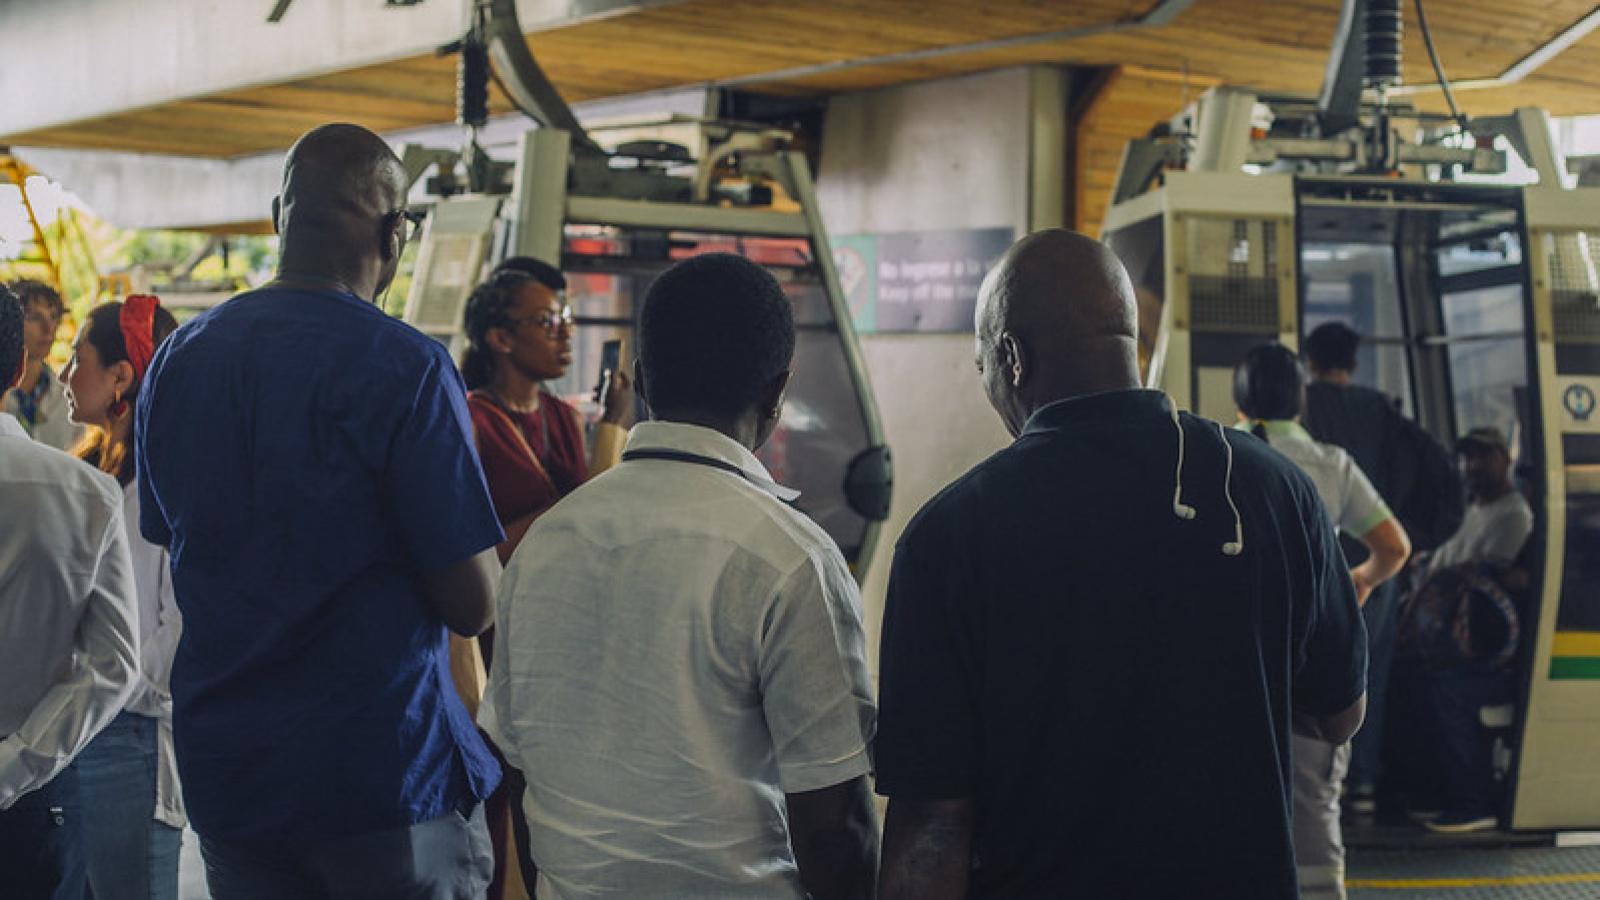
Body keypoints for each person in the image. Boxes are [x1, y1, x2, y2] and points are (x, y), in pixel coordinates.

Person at [875, 230, 1367, 900]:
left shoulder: (948, 537)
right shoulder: (1274, 490)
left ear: (1012, 357)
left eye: (982, 363)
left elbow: (933, 821)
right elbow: (1340, 715)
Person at [135, 123, 504, 899]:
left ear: (279, 216)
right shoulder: (407, 367)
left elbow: (171, 538)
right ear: (392, 232)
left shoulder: (181, 358)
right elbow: (471, 602)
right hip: (381, 777)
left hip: (231, 778)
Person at [481, 253, 878, 900]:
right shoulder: (791, 558)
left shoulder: (546, 543)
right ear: (779, 391)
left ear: (638, 377)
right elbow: (837, 825)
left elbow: (521, 773)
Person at [455, 259, 631, 900]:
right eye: (546, 320)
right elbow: (478, 546)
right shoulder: (471, 422)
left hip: (569, 633)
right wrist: (601, 458)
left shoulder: (559, 416)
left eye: (565, 319)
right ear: (499, 338)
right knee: (505, 785)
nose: (563, 332)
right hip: (499, 639)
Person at [1234, 342, 1412, 900]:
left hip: (1240, 652)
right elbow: (1394, 547)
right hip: (1313, 650)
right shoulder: (1333, 465)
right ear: (1300, 399)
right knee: (1315, 792)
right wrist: (1358, 581)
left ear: (1240, 399)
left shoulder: (1223, 453)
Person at [0, 284, 141, 899]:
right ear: (17, 366)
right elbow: (115, 665)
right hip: (31, 806)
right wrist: (14, 764)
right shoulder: (85, 494)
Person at [1302, 321, 1463, 809]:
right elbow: (1433, 471)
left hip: (1322, 559)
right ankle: (1364, 780)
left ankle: (1320, 779)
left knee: (1314, 667)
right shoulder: (1381, 410)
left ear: (1309, 362)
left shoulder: (1303, 406)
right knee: (1370, 669)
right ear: (1353, 363)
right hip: (1378, 558)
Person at [61, 296, 186, 899]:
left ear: (122, 376)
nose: (63, 374)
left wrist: (109, 687)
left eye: (78, 358)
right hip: (77, 729)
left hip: (127, 737)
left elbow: (178, 629)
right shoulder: (93, 473)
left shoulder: (167, 484)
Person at [1393, 426, 1534, 834]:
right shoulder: (1475, 508)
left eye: (1483, 457)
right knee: (1403, 676)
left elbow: (1479, 572)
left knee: (1447, 689)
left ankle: (1472, 800)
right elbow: (1446, 556)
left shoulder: (1514, 514)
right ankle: (1429, 790)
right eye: (1468, 458)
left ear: (1505, 459)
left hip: (1485, 648)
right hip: (1454, 634)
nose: (1473, 466)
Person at [3, 279, 84, 450]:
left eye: (54, 317)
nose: (48, 329)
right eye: (34, 317)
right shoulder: (3, 393)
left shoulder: (69, 398)